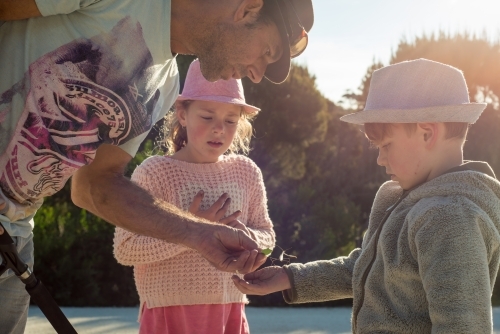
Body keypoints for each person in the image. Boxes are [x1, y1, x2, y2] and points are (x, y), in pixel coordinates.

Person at [0, 0, 313, 332]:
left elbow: (93, 187)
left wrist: (200, 234)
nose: (257, 73)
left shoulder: (164, 86)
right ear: (247, 9)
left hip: (15, 239)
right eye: (266, 51)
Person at [232, 59, 500, 333]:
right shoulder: (401, 198)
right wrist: (289, 277)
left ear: (427, 133)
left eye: (385, 146)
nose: (380, 160)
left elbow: (464, 326)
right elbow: (364, 269)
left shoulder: (450, 218)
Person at [113, 59, 275, 333]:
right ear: (182, 114)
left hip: (229, 311)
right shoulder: (154, 172)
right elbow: (125, 248)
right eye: (207, 116)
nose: (219, 129)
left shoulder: (246, 172)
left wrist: (246, 240)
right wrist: (193, 230)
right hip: (167, 313)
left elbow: (267, 235)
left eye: (230, 120)